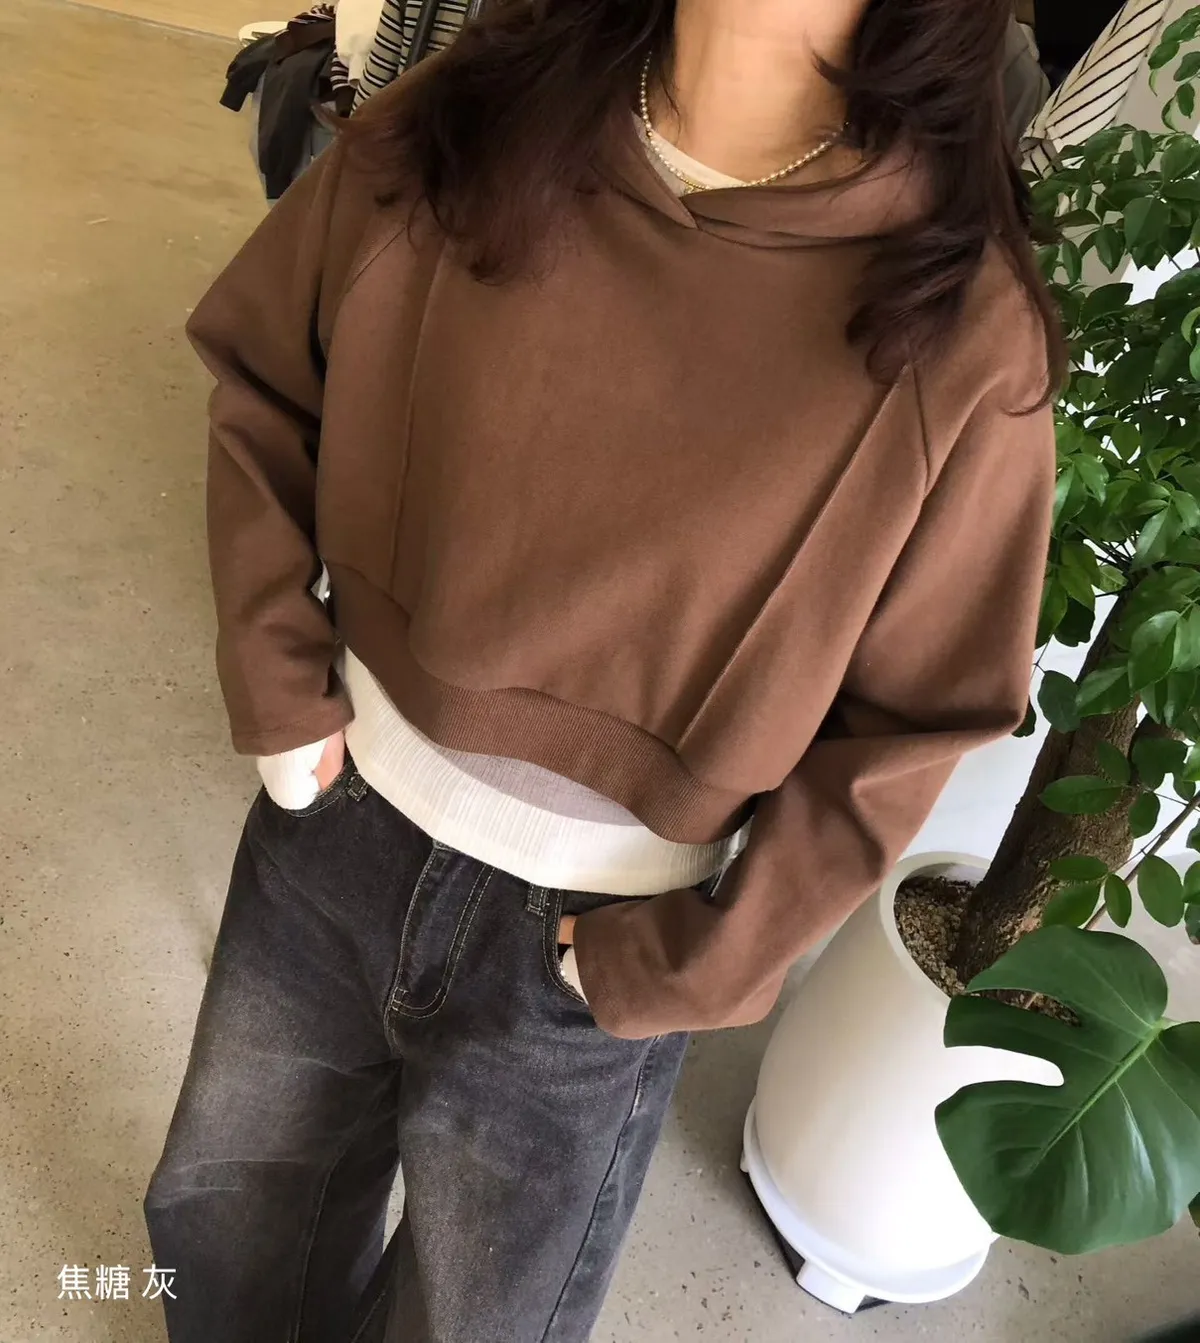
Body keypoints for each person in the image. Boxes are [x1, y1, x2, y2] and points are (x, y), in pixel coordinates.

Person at [144, 2, 1064, 1340]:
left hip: (597, 947)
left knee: (481, 1318)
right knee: (226, 1224)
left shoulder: (961, 323)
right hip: (335, 823)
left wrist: (708, 959)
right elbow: (265, 374)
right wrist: (276, 669)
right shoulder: (466, 118)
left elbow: (920, 714)